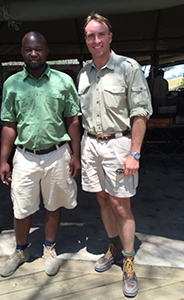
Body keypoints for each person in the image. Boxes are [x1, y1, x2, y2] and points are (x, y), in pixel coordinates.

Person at [77, 13, 152, 298]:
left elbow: (140, 112)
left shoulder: (127, 67)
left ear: (110, 36)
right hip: (90, 144)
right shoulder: (83, 73)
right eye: (90, 36)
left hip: (119, 144)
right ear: (86, 41)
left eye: (101, 34)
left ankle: (129, 262)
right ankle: (113, 246)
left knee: (122, 205)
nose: (96, 40)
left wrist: (135, 152)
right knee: (102, 197)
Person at [0, 31, 81, 277]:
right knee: (21, 207)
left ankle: (49, 248)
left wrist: (76, 154)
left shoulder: (63, 81)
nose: (33, 54)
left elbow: (73, 119)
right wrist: (3, 159)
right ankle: (21, 250)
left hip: (57, 154)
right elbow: (8, 125)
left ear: (47, 51)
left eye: (38, 49)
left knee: (53, 203)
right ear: (22, 52)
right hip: (24, 156)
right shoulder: (12, 84)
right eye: (27, 49)